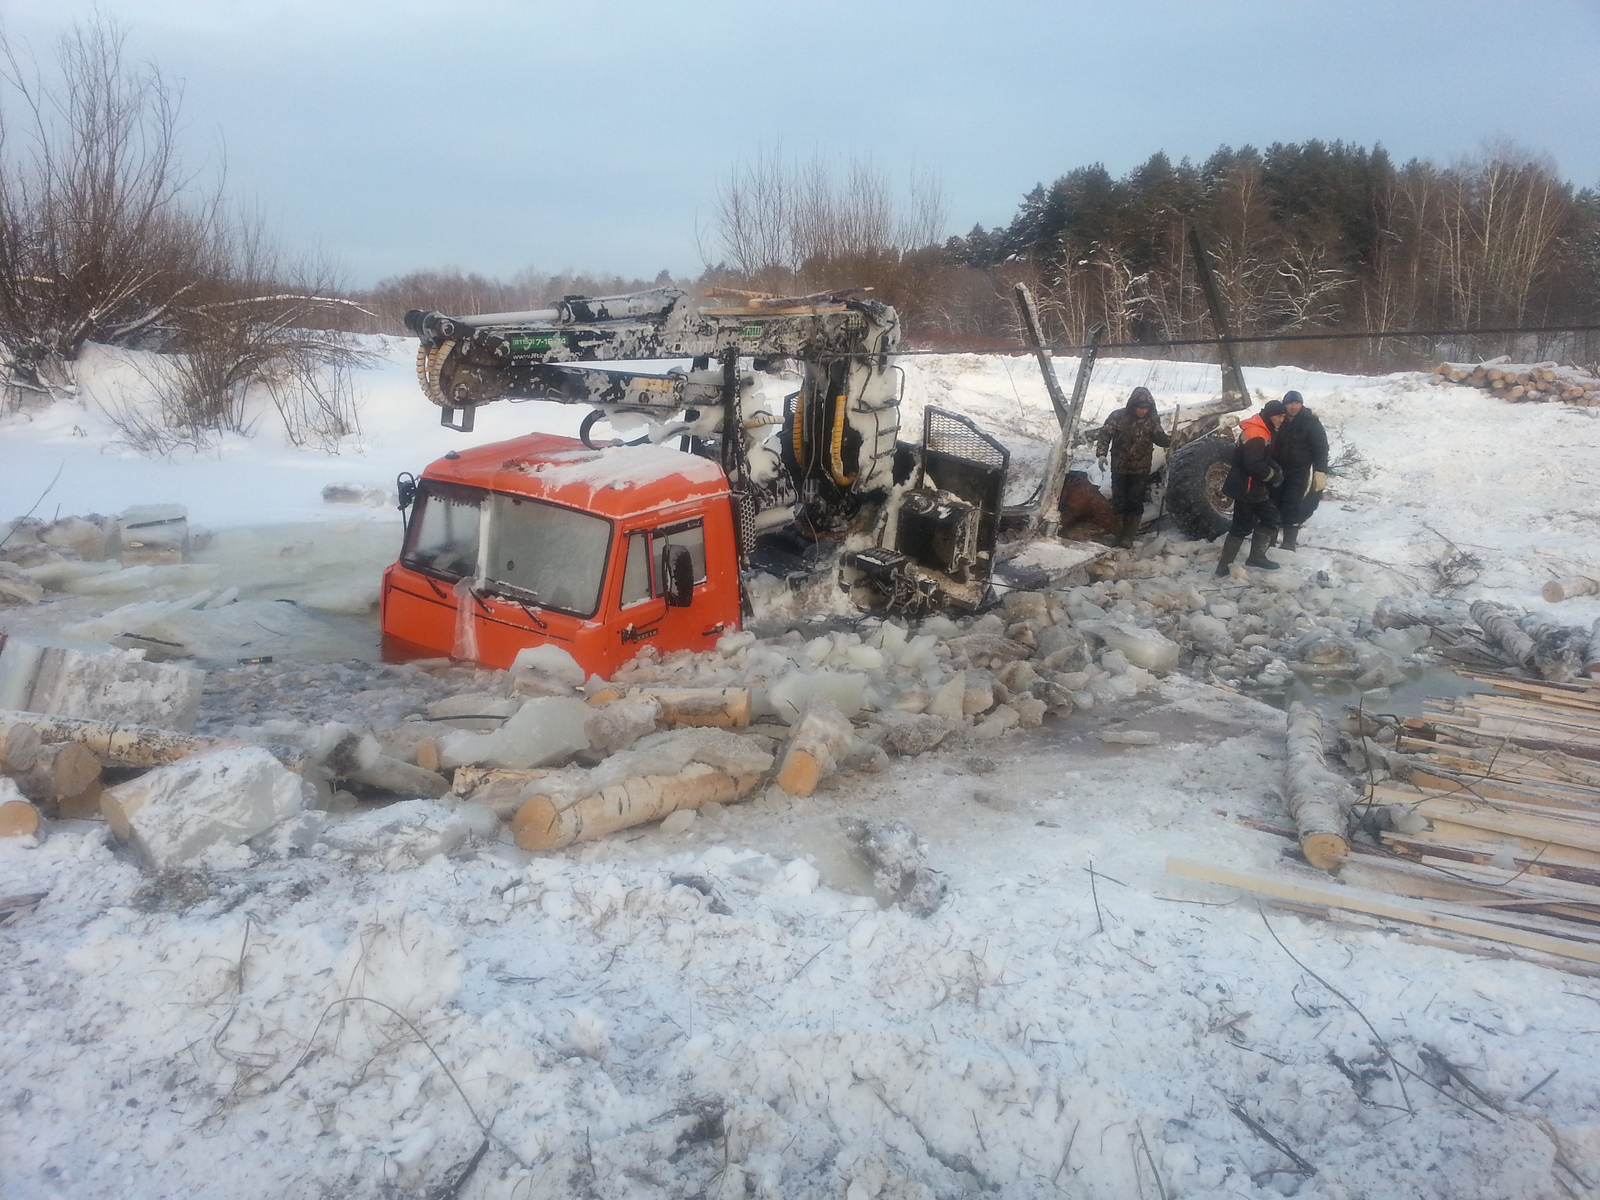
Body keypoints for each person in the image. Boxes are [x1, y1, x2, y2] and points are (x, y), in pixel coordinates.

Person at [1215, 398, 1287, 576]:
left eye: (1283, 416)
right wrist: (1272, 476)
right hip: (1247, 487)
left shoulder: (1263, 430)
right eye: (1279, 416)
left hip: (1249, 486)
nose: (1282, 419)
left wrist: (1274, 466)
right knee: (1251, 523)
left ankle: (1238, 561)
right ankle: (1229, 564)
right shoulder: (1257, 433)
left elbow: (1262, 457)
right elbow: (1253, 464)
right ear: (1270, 416)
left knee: (1264, 519)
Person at [1095, 386, 1171, 548]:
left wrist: (1171, 440)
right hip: (1119, 467)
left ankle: (1128, 537)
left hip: (1141, 470)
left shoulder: (1152, 420)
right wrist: (1101, 453)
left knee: (1135, 502)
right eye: (1139, 407)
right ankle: (1117, 533)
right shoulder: (1118, 416)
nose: (1142, 411)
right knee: (1119, 501)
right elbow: (1104, 434)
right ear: (1132, 405)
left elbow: (1159, 438)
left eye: (1145, 408)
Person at [1270, 390, 1329, 551]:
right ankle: (1269, 539)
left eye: (1297, 403)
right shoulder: (1278, 419)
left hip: (1299, 471)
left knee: (1292, 503)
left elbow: (1321, 448)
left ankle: (1289, 542)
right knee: (1273, 503)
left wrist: (1321, 471)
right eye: (1290, 403)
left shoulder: (1310, 422)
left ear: (1301, 404)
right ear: (1285, 405)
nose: (1293, 407)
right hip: (1277, 469)